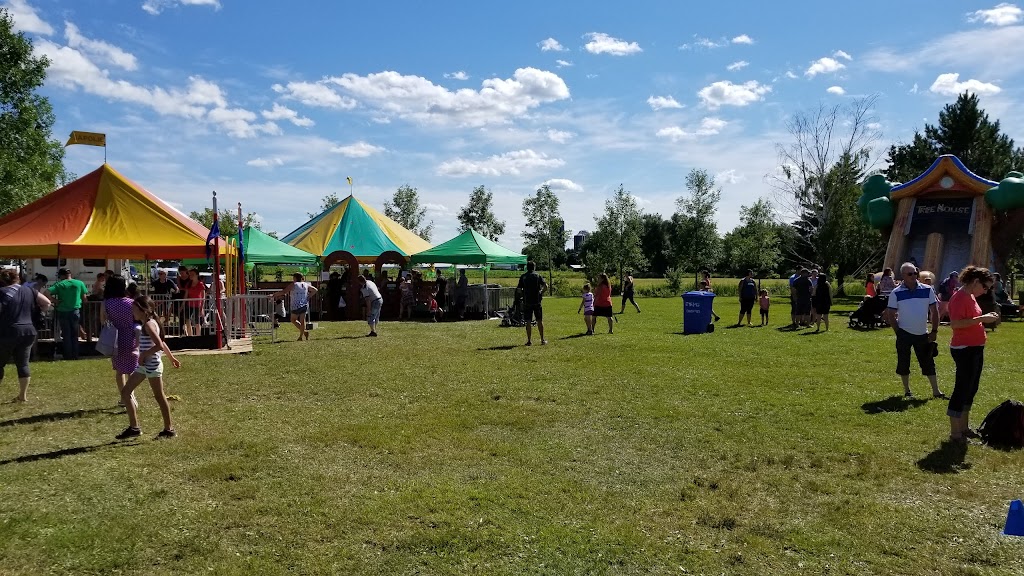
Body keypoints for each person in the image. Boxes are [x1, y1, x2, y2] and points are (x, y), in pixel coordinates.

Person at [946, 266, 1000, 444]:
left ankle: (964, 428)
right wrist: (982, 319)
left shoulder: (970, 296)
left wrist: (984, 317)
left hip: (975, 348)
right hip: (964, 349)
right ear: (975, 282)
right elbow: (955, 324)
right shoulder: (960, 297)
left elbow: (971, 319)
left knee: (971, 388)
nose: (986, 291)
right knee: (962, 389)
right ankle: (955, 433)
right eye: (985, 287)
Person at [116, 296, 181, 440]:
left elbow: (158, 345)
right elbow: (162, 343)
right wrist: (171, 358)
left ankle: (169, 430)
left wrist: (143, 354)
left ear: (144, 310)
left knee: (159, 396)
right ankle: (134, 428)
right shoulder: (149, 323)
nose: (132, 311)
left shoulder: (149, 325)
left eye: (134, 309)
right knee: (126, 392)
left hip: (152, 366)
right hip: (144, 366)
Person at [884, 262, 943, 399]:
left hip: (923, 333)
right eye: (910, 274)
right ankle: (907, 390)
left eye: (915, 272)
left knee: (928, 362)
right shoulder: (896, 293)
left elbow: (934, 311)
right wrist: (898, 332)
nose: (914, 276)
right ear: (903, 275)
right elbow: (891, 314)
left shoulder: (927, 289)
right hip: (904, 333)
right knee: (903, 362)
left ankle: (936, 391)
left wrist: (934, 331)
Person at [0, 269, 51, 402]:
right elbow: (46, 303)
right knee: (23, 364)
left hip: (7, 331)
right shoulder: (30, 291)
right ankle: (23, 395)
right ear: (18, 278)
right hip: (29, 330)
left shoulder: (2, 292)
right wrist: (35, 312)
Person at [100, 274, 140, 407]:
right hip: (130, 336)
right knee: (132, 370)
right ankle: (131, 395)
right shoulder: (131, 302)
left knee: (119, 370)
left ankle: (124, 397)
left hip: (114, 339)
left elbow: (102, 320)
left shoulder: (106, 303)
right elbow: (136, 318)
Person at [48, 268, 88, 360]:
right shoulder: (79, 283)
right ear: (70, 274)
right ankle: (75, 354)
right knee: (74, 334)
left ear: (61, 276)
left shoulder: (60, 284)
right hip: (75, 311)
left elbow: (47, 292)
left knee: (66, 334)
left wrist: (55, 301)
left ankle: (68, 355)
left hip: (63, 311)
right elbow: (85, 298)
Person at [271, 273, 317, 341]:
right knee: (302, 320)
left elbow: (284, 292)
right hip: (304, 304)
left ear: (295, 278)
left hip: (295, 305)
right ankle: (302, 334)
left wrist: (273, 295)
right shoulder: (305, 284)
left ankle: (303, 333)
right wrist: (308, 296)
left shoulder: (294, 284)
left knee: (293, 320)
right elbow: (315, 290)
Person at [517, 261, 547, 345]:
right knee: (539, 320)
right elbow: (546, 286)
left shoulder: (523, 276)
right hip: (537, 301)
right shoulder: (538, 276)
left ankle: (529, 340)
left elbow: (519, 290)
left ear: (527, 267)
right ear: (534, 267)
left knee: (528, 321)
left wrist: (522, 295)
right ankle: (542, 340)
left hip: (527, 301)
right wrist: (541, 292)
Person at [184, 268, 206, 336]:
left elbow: (203, 297)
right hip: (189, 304)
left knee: (197, 322)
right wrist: (182, 305)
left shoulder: (200, 284)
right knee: (187, 320)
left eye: (192, 274)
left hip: (197, 305)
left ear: (197, 275)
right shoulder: (189, 284)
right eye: (190, 275)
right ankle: (190, 335)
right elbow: (186, 295)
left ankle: (198, 336)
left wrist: (201, 308)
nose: (191, 276)